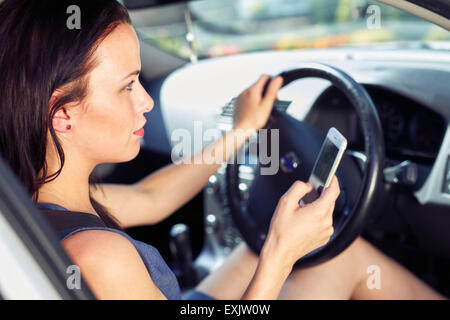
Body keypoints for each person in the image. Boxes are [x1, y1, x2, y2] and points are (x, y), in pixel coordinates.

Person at [0, 0, 445, 300]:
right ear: (63, 115)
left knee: (259, 250)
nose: (147, 101)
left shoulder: (30, 202)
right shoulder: (100, 258)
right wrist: (281, 253)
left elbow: (152, 199)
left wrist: (240, 131)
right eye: (127, 86)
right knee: (324, 255)